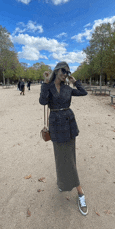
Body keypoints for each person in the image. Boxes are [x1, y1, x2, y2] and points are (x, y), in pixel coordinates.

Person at [39, 61, 88, 216]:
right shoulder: (48, 86)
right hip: (55, 124)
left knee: (70, 157)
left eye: (67, 72)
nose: (65, 73)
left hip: (68, 123)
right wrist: (46, 83)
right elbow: (42, 101)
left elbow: (83, 92)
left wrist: (75, 82)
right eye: (63, 70)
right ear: (56, 70)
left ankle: (79, 191)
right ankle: (65, 185)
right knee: (60, 157)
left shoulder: (68, 88)